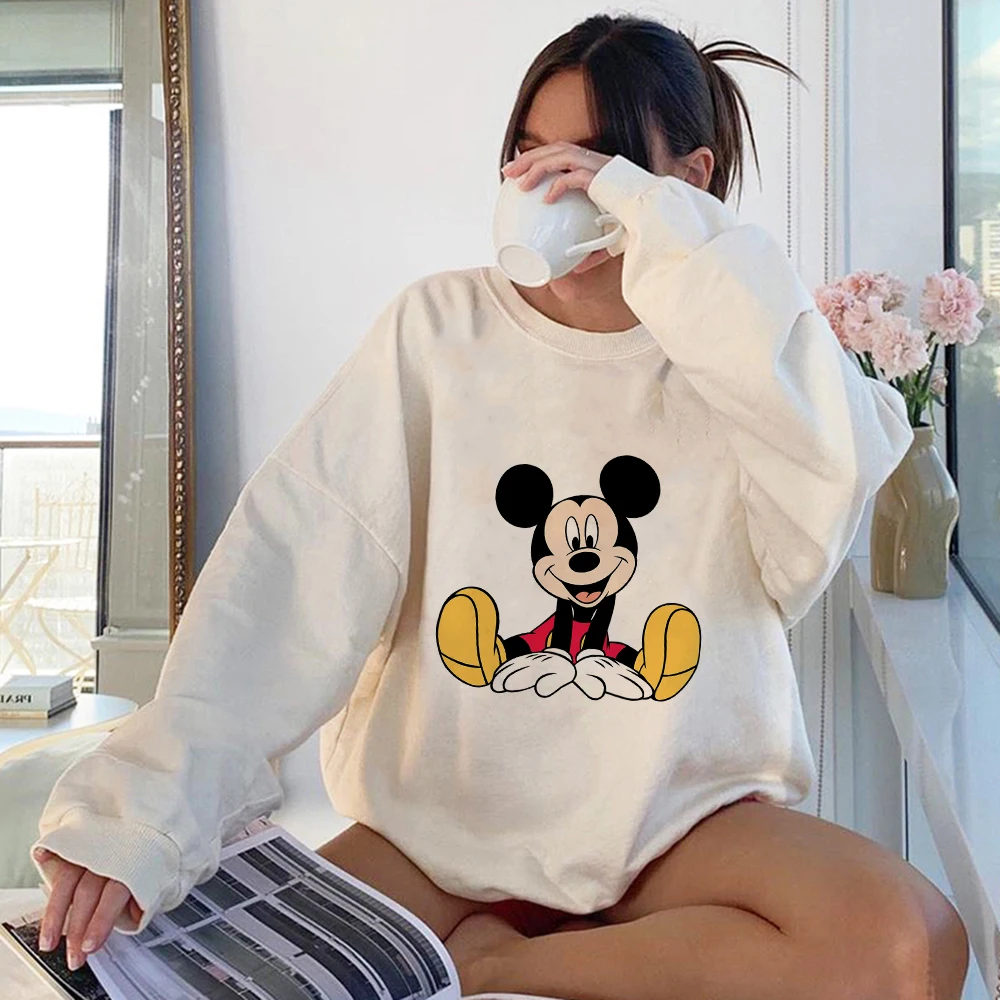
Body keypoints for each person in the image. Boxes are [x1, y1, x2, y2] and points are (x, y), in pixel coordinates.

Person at [33, 13, 969, 1000]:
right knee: (179, 969)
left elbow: (829, 479)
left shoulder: (749, 364)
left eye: (591, 162)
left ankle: (495, 963)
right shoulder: (439, 332)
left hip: (676, 824)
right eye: (529, 154)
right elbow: (288, 576)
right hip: (443, 827)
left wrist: (659, 228)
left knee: (909, 945)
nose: (548, 187)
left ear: (687, 184)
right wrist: (140, 812)